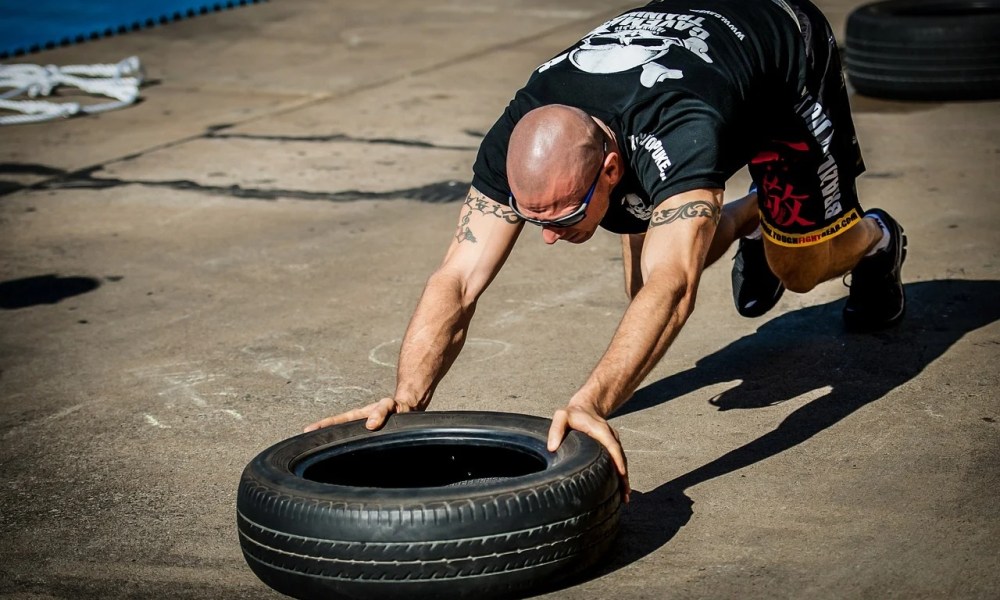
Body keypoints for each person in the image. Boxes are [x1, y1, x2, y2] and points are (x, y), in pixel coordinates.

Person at [305, 0, 907, 501]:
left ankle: (876, 238)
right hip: (682, 72)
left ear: (612, 166)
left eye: (562, 216)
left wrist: (591, 402)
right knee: (636, 292)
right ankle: (755, 213)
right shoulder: (518, 132)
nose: (545, 237)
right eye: (531, 216)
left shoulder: (683, 129)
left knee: (797, 268)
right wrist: (408, 398)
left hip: (781, 64)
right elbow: (458, 278)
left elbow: (674, 288)